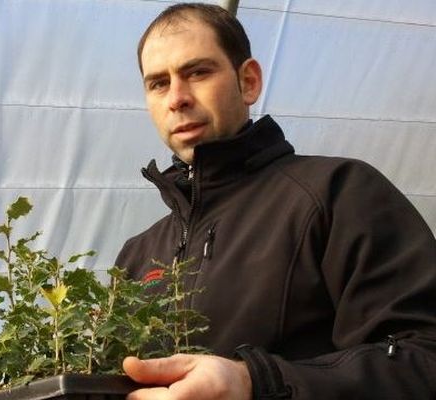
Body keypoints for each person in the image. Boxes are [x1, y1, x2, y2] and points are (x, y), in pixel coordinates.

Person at [114, 3, 436, 399]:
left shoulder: (337, 194)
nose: (176, 98)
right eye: (158, 83)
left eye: (197, 72)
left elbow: (425, 358)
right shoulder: (137, 255)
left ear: (248, 81)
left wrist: (255, 382)